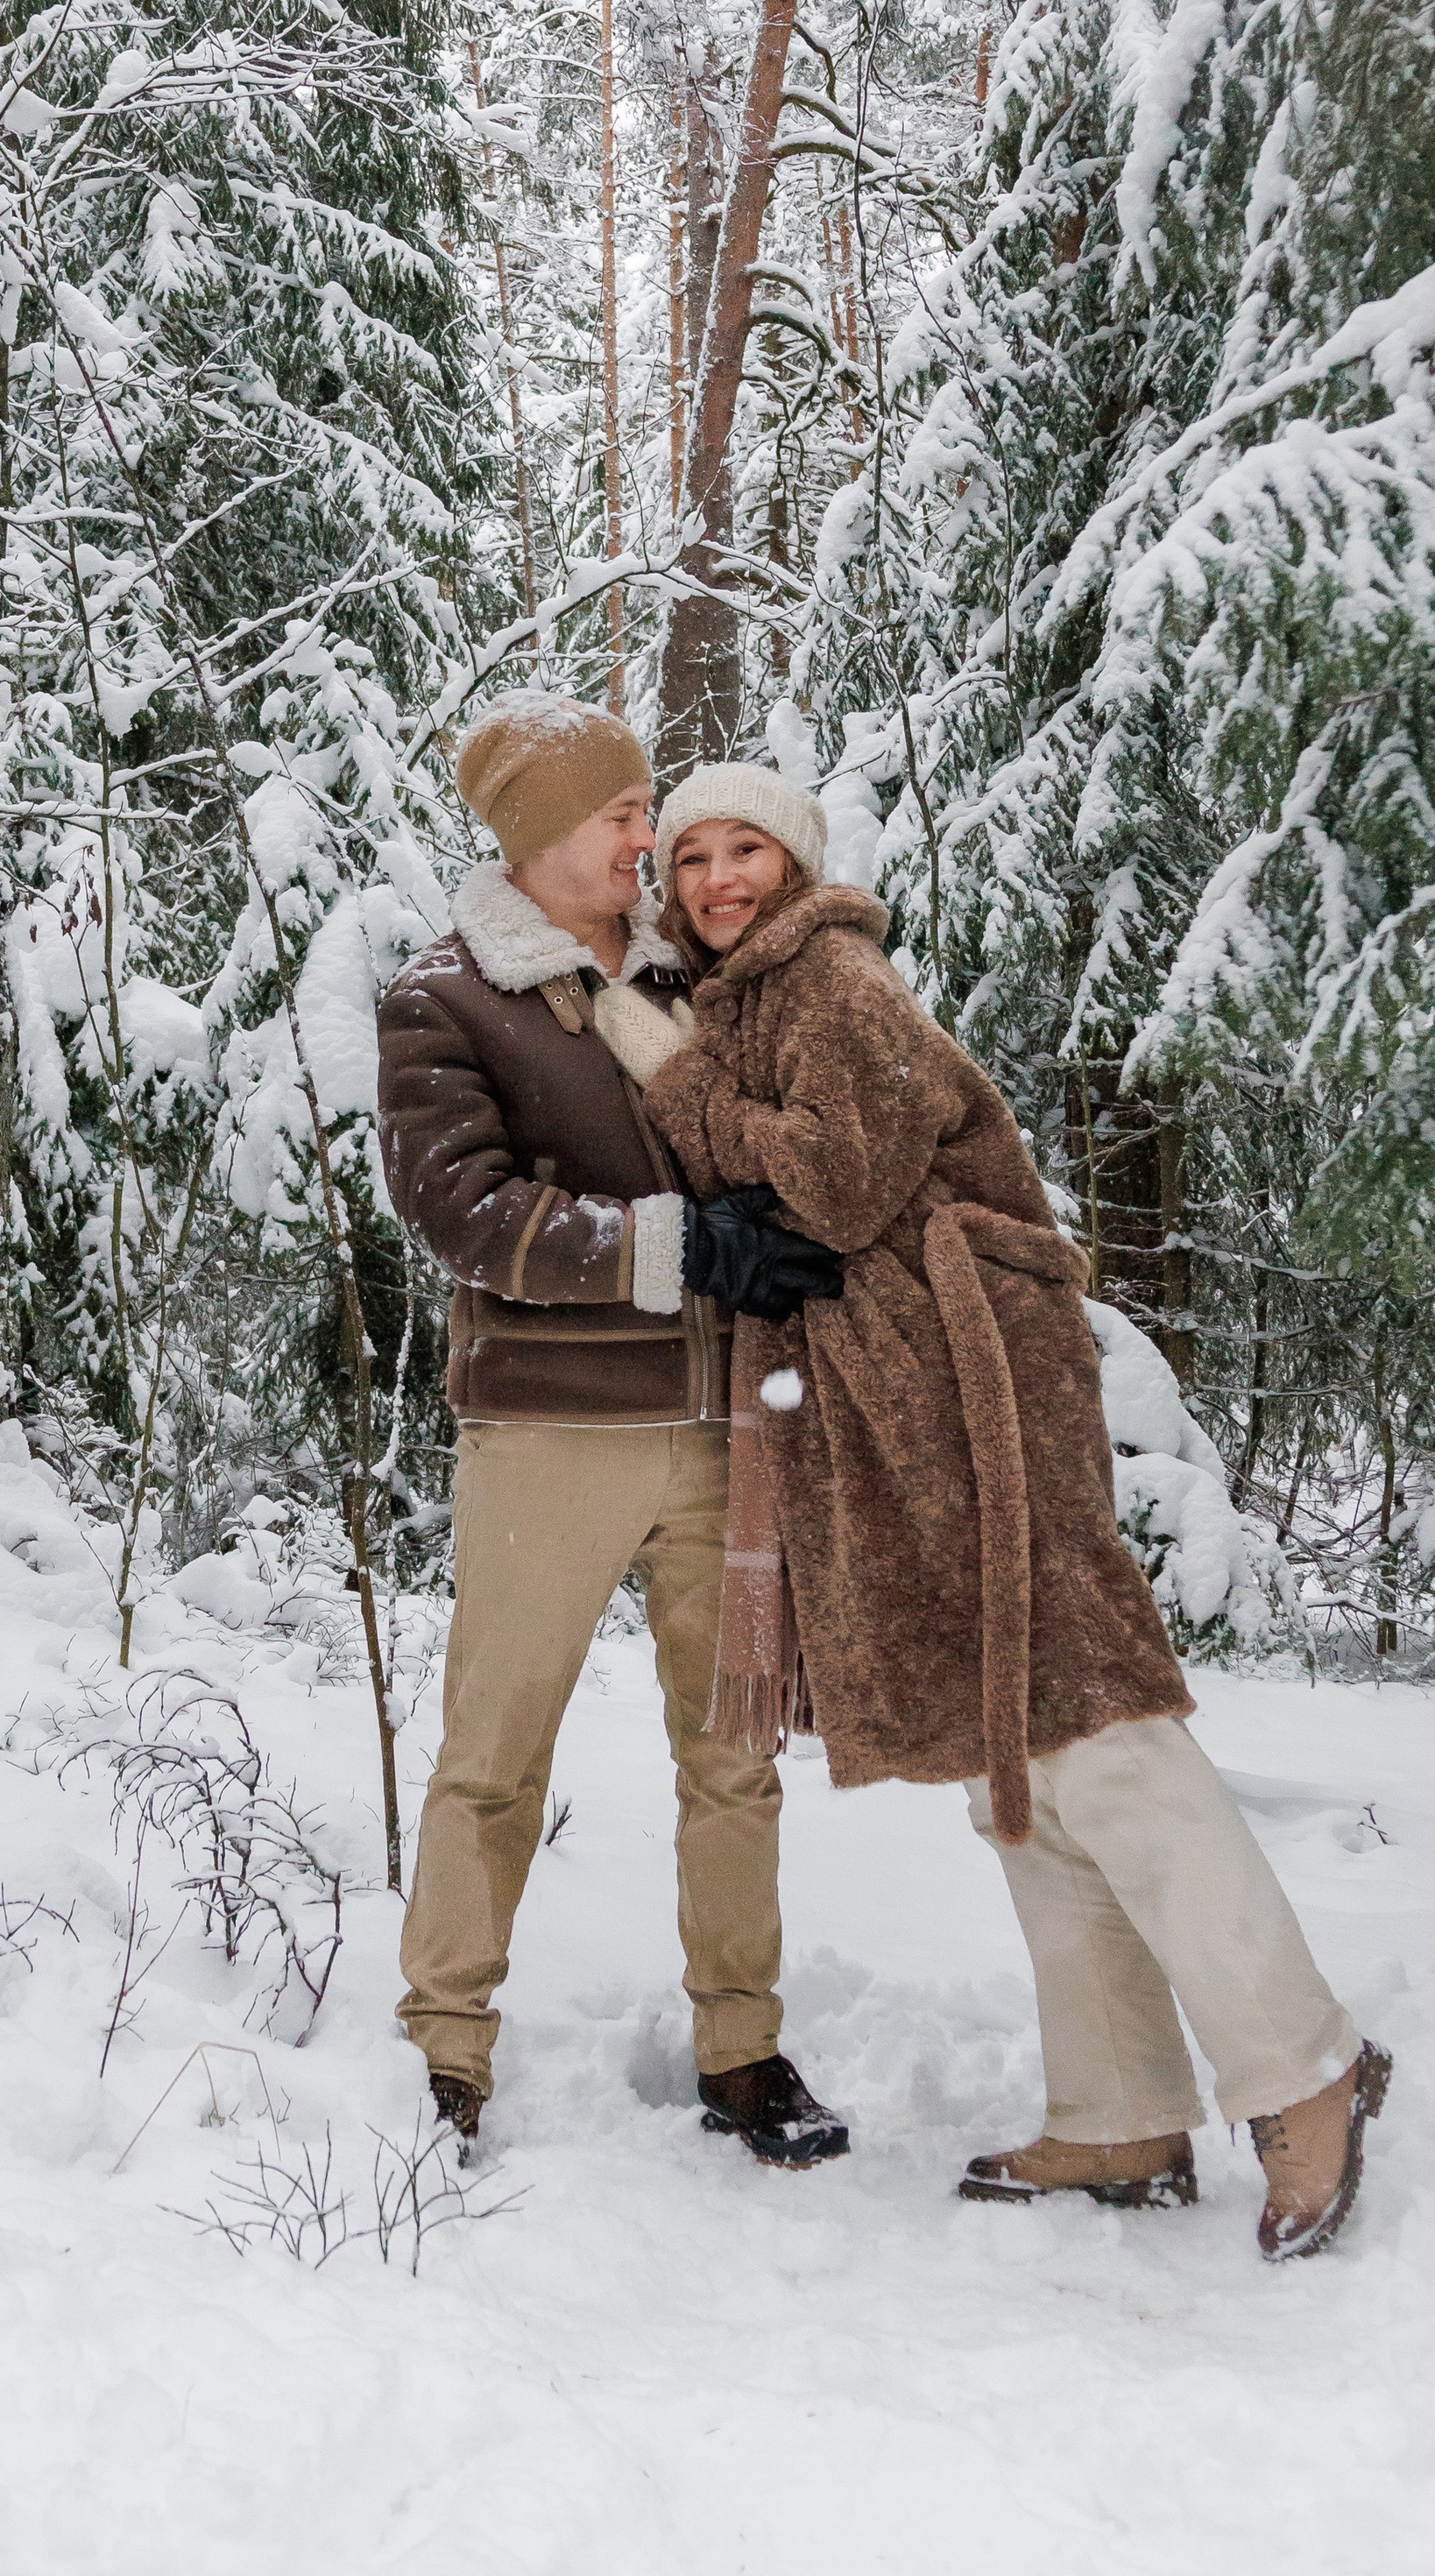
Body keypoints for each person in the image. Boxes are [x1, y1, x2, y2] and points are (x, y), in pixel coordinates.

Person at [590, 759, 1391, 2263]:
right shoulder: (750, 1001)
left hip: (974, 1386)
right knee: (1011, 1735)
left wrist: (678, 1081)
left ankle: (1304, 2068)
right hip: (898, 1398)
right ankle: (1120, 2109)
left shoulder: (829, 975)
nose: (715, 880)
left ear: (797, 857)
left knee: (1093, 1721)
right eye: (690, 858)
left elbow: (828, 1186)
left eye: (744, 846)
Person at [376, 696, 852, 2168]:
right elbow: (460, 1210)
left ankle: (744, 2047)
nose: (650, 840)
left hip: (724, 1433)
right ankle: (446, 2047)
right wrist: (684, 1252)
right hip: (551, 1434)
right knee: (495, 1754)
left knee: (734, 1760)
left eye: (650, 811)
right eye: (623, 815)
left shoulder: (689, 981)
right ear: (535, 840)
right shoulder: (445, 999)